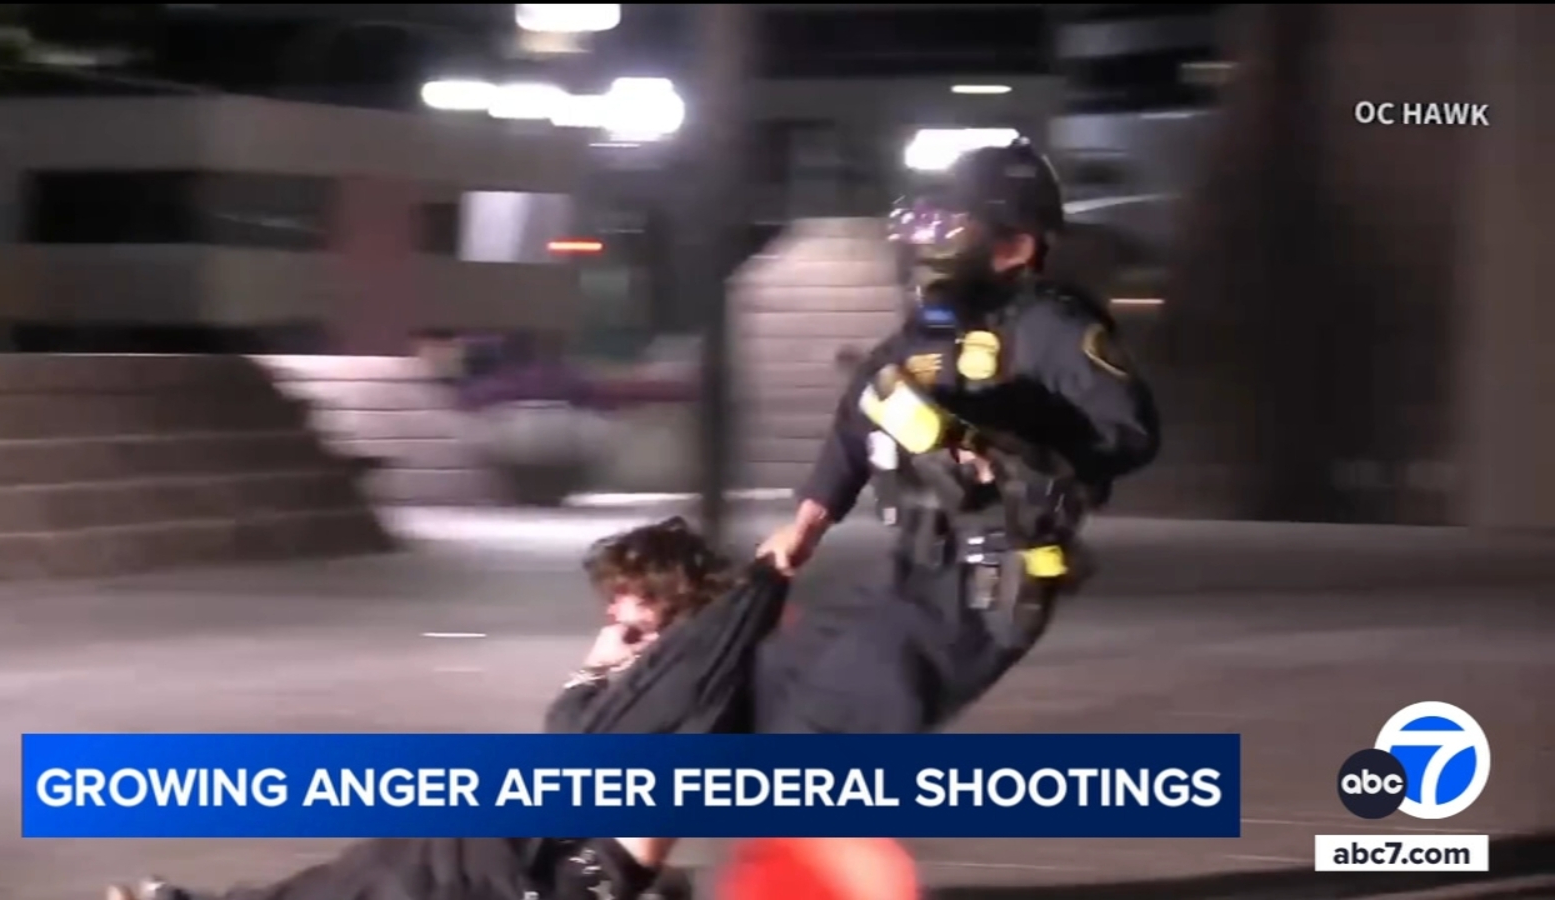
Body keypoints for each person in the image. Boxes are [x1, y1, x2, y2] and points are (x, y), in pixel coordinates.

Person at [108, 518, 791, 900]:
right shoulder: (650, 691)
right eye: (612, 620)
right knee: (383, 860)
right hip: (524, 849)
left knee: (403, 874)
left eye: (634, 627)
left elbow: (576, 737)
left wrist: (593, 671)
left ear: (680, 625)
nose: (615, 637)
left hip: (559, 876)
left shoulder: (687, 699)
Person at [754, 136, 1161, 734]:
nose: (930, 236)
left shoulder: (1049, 327)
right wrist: (808, 522)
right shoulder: (927, 333)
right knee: (774, 673)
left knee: (836, 722)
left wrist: (1022, 452)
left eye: (951, 224)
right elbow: (862, 410)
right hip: (914, 560)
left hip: (990, 576)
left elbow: (1131, 430)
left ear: (1014, 245)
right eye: (928, 220)